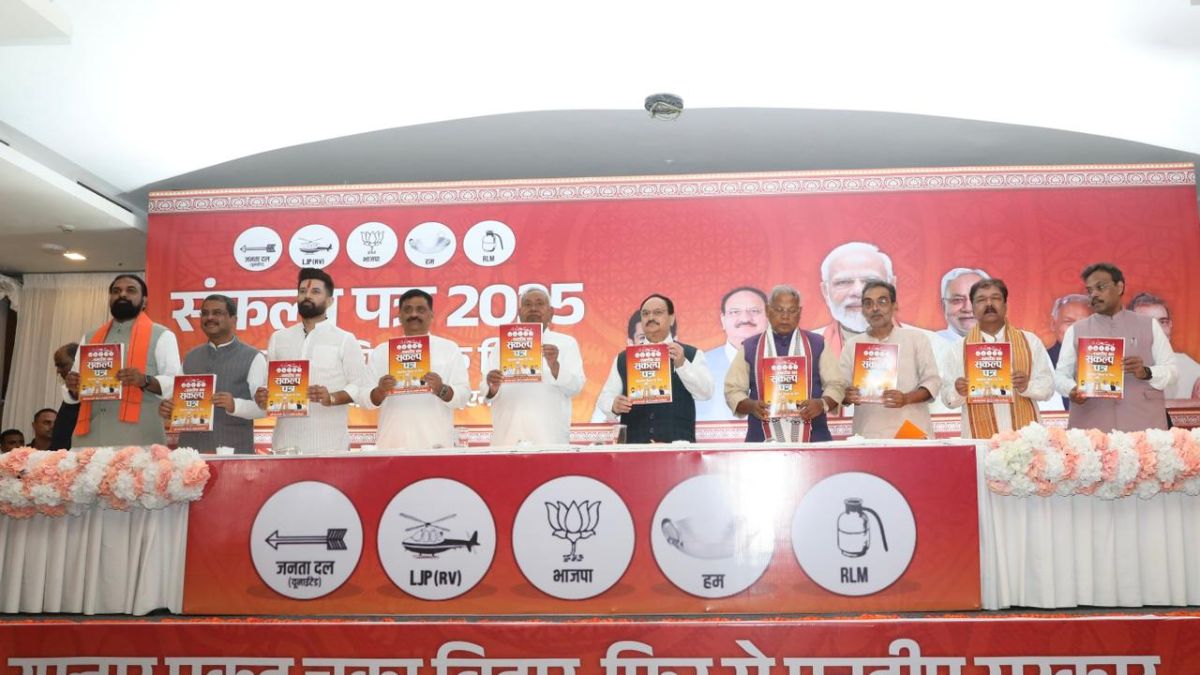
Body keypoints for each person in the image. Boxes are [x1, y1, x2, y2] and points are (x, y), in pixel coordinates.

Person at [255, 268, 369, 453]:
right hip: (284, 444)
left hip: (329, 446)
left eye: (315, 291)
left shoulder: (344, 339)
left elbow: (360, 384)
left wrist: (331, 397)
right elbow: (269, 385)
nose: (307, 296)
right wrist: (263, 397)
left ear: (329, 301)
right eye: (302, 291)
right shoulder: (279, 338)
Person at [1053, 263, 1177, 432]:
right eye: (1090, 290)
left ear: (1119, 287)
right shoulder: (1076, 330)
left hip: (1142, 424)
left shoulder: (1149, 326)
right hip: (1092, 427)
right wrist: (1072, 390)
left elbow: (1172, 372)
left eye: (1100, 287)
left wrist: (1146, 372)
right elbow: (1061, 376)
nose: (1094, 294)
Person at [65, 274, 181, 447]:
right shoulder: (90, 337)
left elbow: (175, 383)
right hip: (90, 438)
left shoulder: (162, 335)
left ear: (144, 301)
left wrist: (144, 380)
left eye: (131, 290)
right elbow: (75, 391)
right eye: (116, 291)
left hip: (139, 440)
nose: (122, 294)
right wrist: (73, 386)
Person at [724, 285, 845, 442]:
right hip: (762, 438)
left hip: (813, 437)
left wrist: (821, 404)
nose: (785, 317)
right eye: (779, 310)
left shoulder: (817, 344)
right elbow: (733, 390)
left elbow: (837, 384)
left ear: (799, 312)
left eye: (792, 311)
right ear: (768, 311)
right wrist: (752, 406)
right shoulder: (750, 347)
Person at [940, 279, 1054, 438]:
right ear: (973, 307)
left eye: (995, 298)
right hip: (979, 440)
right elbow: (947, 399)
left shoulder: (1030, 341)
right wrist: (958, 391)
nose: (989, 304)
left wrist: (1026, 386)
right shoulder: (958, 348)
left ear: (1005, 305)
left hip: (1026, 439)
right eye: (981, 300)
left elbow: (1048, 388)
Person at [597, 294, 713, 442]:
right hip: (635, 446)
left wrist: (682, 364)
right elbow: (604, 398)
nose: (651, 317)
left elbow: (706, 393)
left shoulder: (691, 354)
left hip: (677, 448)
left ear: (671, 318)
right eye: (645, 314)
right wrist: (613, 405)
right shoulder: (624, 358)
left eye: (658, 312)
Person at [159, 294, 266, 453]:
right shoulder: (191, 357)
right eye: (205, 313)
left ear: (233, 319)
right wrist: (169, 409)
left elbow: (264, 408)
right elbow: (179, 403)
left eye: (217, 313)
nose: (210, 317)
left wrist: (235, 405)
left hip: (233, 452)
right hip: (191, 453)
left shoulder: (253, 357)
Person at [365, 289, 469, 450]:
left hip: (435, 445)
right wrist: (379, 391)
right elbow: (364, 399)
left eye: (420, 309)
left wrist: (441, 389)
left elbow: (463, 396)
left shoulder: (448, 349)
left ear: (431, 315)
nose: (414, 314)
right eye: (408, 310)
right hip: (391, 444)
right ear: (399, 316)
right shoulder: (382, 351)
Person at [840, 281, 942, 439]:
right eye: (868, 303)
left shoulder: (916, 339)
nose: (875, 308)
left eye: (882, 301)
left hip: (912, 431)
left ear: (895, 306)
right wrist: (847, 396)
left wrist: (906, 398)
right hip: (868, 432)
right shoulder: (852, 345)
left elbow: (932, 382)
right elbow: (840, 389)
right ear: (863, 310)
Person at [485, 288, 585, 445]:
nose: (533, 308)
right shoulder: (501, 345)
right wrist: (492, 387)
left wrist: (555, 366)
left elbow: (576, 387)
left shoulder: (566, 343)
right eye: (527, 304)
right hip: (508, 436)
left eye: (539, 304)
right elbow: (486, 391)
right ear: (520, 312)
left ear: (551, 312)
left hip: (550, 438)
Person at [696, 287, 767, 422]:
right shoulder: (700, 365)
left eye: (754, 311)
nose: (745, 318)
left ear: (768, 317)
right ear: (723, 320)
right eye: (735, 312)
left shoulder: (785, 363)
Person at [814, 242, 896, 358]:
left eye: (871, 281)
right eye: (843, 282)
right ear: (826, 292)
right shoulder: (803, 349)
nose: (858, 292)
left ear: (892, 287)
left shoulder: (922, 343)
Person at [1128, 292, 1200, 400]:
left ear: (1170, 325)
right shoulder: (1115, 369)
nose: (1159, 331)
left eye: (1163, 322)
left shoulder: (1191, 369)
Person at [1041, 293, 1092, 411]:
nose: (1075, 330)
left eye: (1084, 323)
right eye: (1069, 322)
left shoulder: (1107, 362)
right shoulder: (1039, 361)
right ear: (1053, 324)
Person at [934, 267, 990, 343]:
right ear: (944, 306)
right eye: (958, 300)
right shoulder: (927, 345)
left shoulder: (1005, 345)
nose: (968, 309)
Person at [49, 343, 79, 451]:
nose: (58, 371)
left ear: (78, 362)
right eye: (57, 366)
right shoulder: (68, 393)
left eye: (62, 365)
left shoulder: (92, 393)